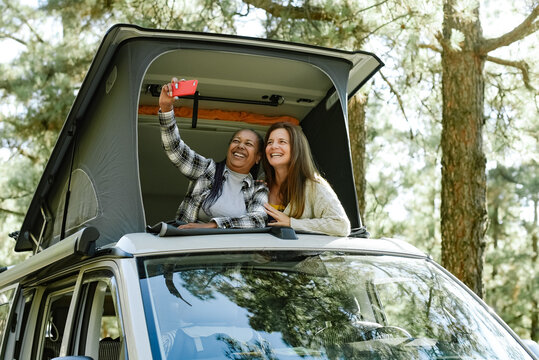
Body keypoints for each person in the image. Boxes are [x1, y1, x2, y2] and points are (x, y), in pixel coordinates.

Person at [159, 78, 268, 229]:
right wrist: (166, 108)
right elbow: (175, 149)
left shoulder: (258, 190)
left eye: (248, 144)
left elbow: (258, 220)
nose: (240, 146)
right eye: (236, 141)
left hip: (231, 252)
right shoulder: (207, 170)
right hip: (188, 247)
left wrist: (211, 226)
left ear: (258, 157)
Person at [262, 122, 350, 237]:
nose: (273, 146)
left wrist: (292, 223)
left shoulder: (314, 185)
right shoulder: (262, 183)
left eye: (282, 142)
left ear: (296, 148)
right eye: (270, 142)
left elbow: (341, 225)